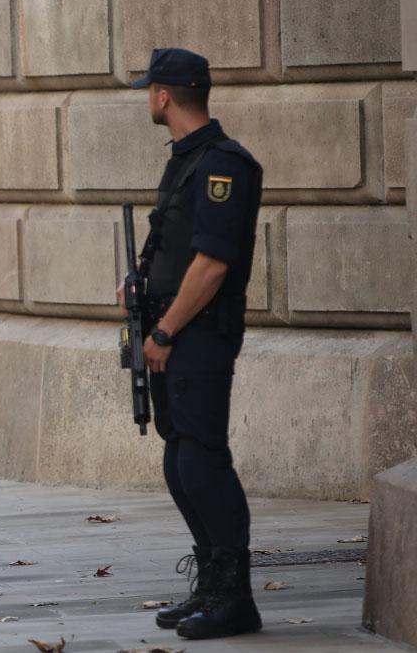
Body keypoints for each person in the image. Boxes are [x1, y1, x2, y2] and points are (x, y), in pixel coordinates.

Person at [120, 48, 264, 640]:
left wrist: (164, 331)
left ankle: (235, 597)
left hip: (196, 336)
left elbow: (212, 265)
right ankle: (211, 582)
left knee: (202, 460)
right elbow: (178, 249)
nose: (146, 97)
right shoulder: (186, 160)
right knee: (180, 457)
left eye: (148, 89)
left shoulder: (224, 164)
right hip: (172, 334)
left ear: (163, 95)